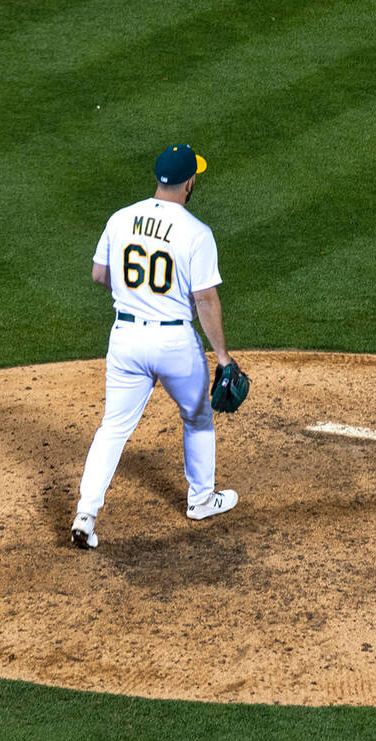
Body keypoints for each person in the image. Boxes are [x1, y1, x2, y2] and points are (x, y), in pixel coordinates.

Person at [70, 144, 238, 549]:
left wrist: (134, 293)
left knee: (112, 428)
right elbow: (205, 299)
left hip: (125, 338)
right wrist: (223, 357)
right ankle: (201, 500)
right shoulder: (196, 233)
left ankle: (85, 516)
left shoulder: (120, 218)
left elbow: (99, 275)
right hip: (174, 341)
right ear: (190, 182)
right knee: (197, 416)